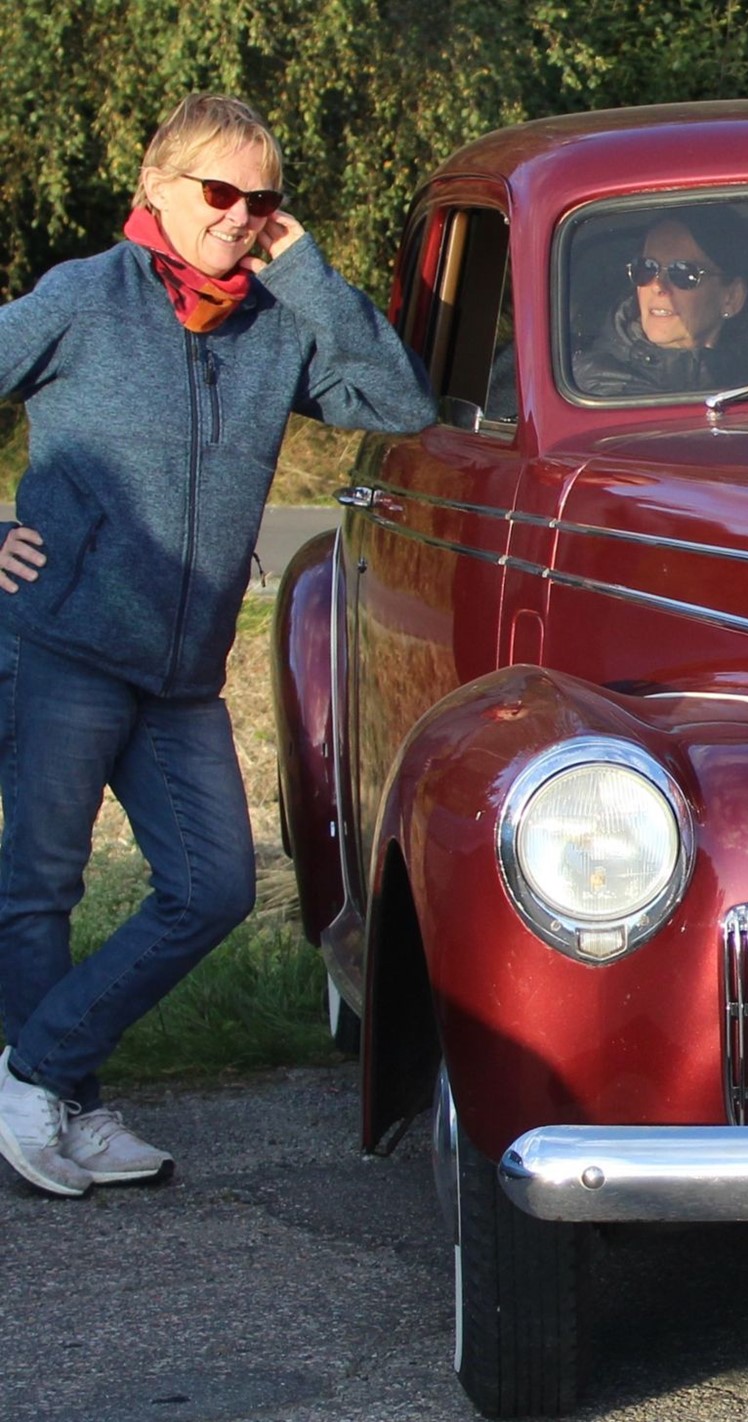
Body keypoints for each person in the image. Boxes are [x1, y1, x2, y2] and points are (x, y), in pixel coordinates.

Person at [0, 94, 433, 1197]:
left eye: (266, 200)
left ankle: (35, 1074)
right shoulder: (80, 300)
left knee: (214, 891)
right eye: (221, 193)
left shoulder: (274, 320)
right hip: (62, 646)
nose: (242, 216)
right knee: (40, 887)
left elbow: (397, 399)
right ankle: (68, 1110)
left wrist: (309, 275)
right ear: (157, 187)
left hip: (184, 669)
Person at [571, 206, 748, 396]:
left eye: (683, 273)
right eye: (646, 269)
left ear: (731, 297)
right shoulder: (593, 388)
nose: (658, 286)